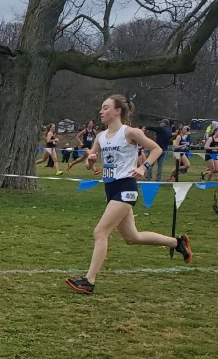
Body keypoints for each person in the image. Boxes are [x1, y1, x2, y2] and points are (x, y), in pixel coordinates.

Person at [65, 94, 193, 295]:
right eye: (101, 108)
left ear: (118, 111)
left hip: (126, 188)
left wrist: (144, 168)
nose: (101, 111)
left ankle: (88, 281)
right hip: (110, 188)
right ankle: (178, 243)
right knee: (132, 237)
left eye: (106, 107)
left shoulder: (130, 133)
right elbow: (92, 163)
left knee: (100, 232)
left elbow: (157, 149)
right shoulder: (100, 136)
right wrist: (91, 160)